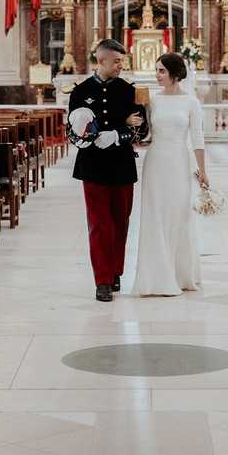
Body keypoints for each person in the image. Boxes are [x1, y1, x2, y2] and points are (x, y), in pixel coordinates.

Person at [68, 39, 146, 302]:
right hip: (92, 166)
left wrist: (118, 134)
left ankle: (115, 271)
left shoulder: (128, 91)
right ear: (101, 61)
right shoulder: (80, 91)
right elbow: (73, 131)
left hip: (122, 164)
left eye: (122, 61)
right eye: (116, 61)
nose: (121, 66)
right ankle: (101, 280)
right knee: (99, 225)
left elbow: (142, 128)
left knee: (120, 222)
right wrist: (94, 136)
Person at [132, 51, 209, 297]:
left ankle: (180, 275)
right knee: (155, 215)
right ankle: (156, 276)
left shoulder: (191, 102)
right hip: (155, 162)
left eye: (162, 71)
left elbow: (197, 138)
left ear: (175, 73)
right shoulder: (152, 100)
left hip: (178, 162)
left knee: (178, 215)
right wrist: (136, 128)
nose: (157, 75)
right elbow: (145, 135)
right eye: (156, 70)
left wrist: (203, 171)